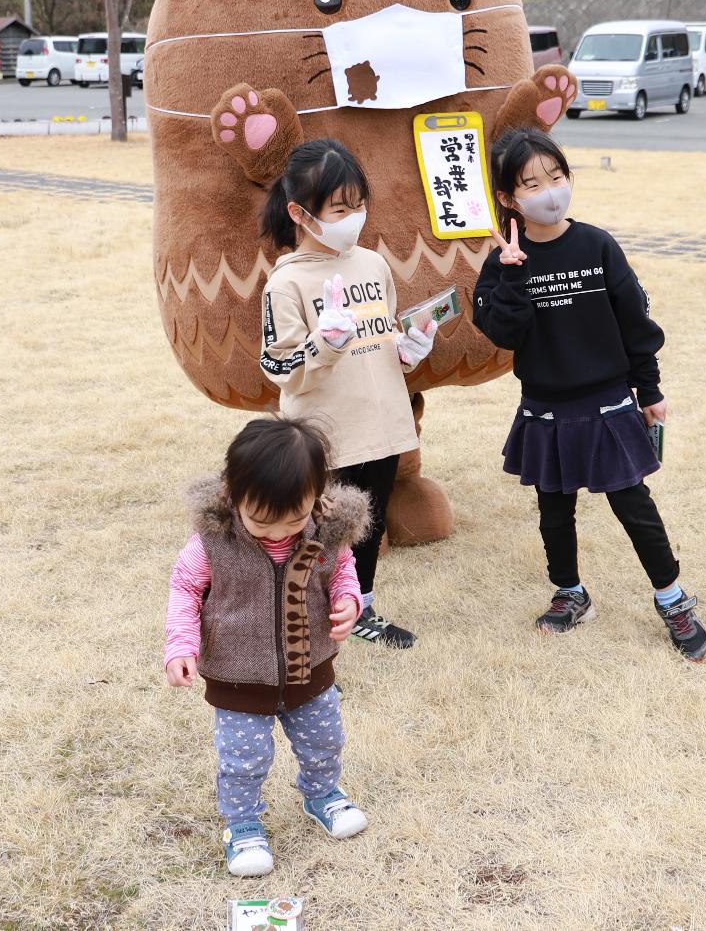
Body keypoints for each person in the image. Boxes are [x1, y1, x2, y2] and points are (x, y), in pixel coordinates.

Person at [471, 127, 706, 661]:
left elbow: (636, 323)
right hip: (545, 404)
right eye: (531, 183)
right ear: (509, 198)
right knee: (553, 510)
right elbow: (503, 334)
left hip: (608, 399)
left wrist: (649, 389)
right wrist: (511, 276)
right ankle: (569, 593)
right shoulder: (503, 261)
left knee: (634, 505)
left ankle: (672, 598)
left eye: (556, 176)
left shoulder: (597, 244)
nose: (548, 190)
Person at [164, 416, 371, 877]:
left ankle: (322, 795)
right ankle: (243, 825)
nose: (279, 533)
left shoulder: (326, 533)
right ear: (231, 493)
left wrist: (348, 600)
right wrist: (181, 646)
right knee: (244, 758)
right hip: (238, 675)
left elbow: (343, 571)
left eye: (294, 519)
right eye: (261, 522)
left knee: (325, 740)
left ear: (318, 495)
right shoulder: (212, 543)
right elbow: (184, 589)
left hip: (310, 669)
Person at [258, 138, 435, 650]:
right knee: (316, 534)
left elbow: (382, 339)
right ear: (299, 212)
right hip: (326, 434)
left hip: (381, 425)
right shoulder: (285, 284)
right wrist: (323, 343)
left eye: (359, 205)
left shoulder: (372, 265)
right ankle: (303, 620)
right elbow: (278, 366)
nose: (353, 218)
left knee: (367, 527)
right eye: (339, 208)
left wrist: (408, 350)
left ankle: (361, 607)